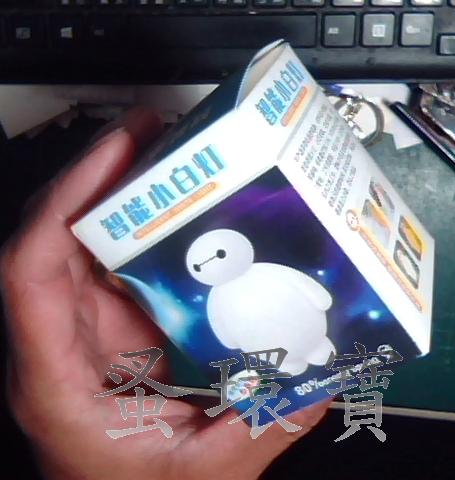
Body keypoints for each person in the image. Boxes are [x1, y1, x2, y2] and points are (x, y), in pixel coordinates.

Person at [0, 109, 330, 480]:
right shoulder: (217, 299)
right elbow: (224, 329)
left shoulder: (264, 271)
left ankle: (315, 351)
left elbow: (307, 289)